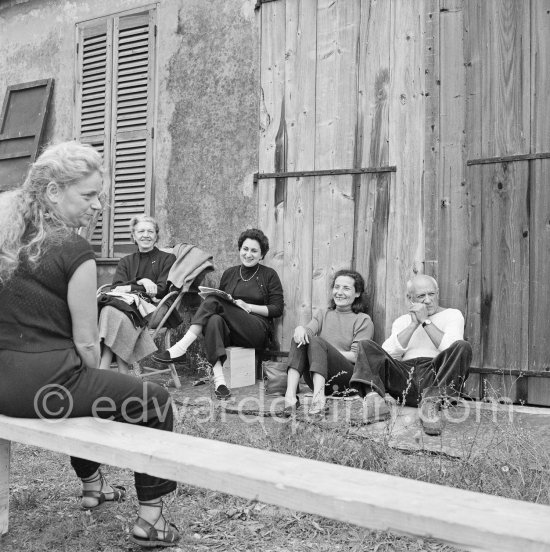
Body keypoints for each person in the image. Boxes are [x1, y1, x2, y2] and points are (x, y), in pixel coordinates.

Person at [0, 141, 180, 547]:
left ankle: (93, 485)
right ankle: (152, 520)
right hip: (46, 388)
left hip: (1, 388)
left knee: (92, 396)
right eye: (88, 195)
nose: (98, 206)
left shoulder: (5, 238)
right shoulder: (74, 249)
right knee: (153, 400)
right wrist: (95, 373)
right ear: (52, 192)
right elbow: (86, 339)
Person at [153, 228, 283, 400]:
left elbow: (277, 309)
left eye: (254, 251)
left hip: (256, 331)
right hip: (231, 332)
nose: (248, 254)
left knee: (214, 300)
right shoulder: (230, 273)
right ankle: (220, 382)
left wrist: (248, 306)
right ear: (239, 250)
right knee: (214, 319)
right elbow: (218, 305)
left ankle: (181, 347)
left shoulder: (269, 275)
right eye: (245, 249)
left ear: (261, 255)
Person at [349, 274, 472, 435]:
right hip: (404, 377)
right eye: (421, 296)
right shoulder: (401, 321)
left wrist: (425, 321)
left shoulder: (453, 314)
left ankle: (431, 405)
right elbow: (387, 353)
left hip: (435, 375)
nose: (427, 300)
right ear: (410, 298)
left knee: (463, 346)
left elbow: (451, 347)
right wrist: (414, 324)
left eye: (431, 294)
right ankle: (374, 403)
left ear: (438, 293)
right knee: (365, 345)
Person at [282, 270, 374, 417]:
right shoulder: (323, 313)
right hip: (316, 377)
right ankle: (290, 397)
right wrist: (300, 329)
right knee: (299, 337)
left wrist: (326, 351)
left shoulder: (363, 320)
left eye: (346, 288)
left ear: (357, 293)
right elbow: (308, 332)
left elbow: (357, 356)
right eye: (336, 287)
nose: (339, 292)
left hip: (345, 380)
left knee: (318, 342)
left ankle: (319, 400)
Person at [98, 215, 176, 373]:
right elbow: (116, 289)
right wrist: (142, 281)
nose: (145, 235)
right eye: (141, 231)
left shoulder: (168, 258)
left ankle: (104, 370)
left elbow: (161, 290)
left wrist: (130, 288)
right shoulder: (125, 261)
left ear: (156, 236)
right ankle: (122, 374)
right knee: (113, 313)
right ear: (133, 236)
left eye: (150, 231)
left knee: (114, 315)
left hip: (156, 308)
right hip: (127, 309)